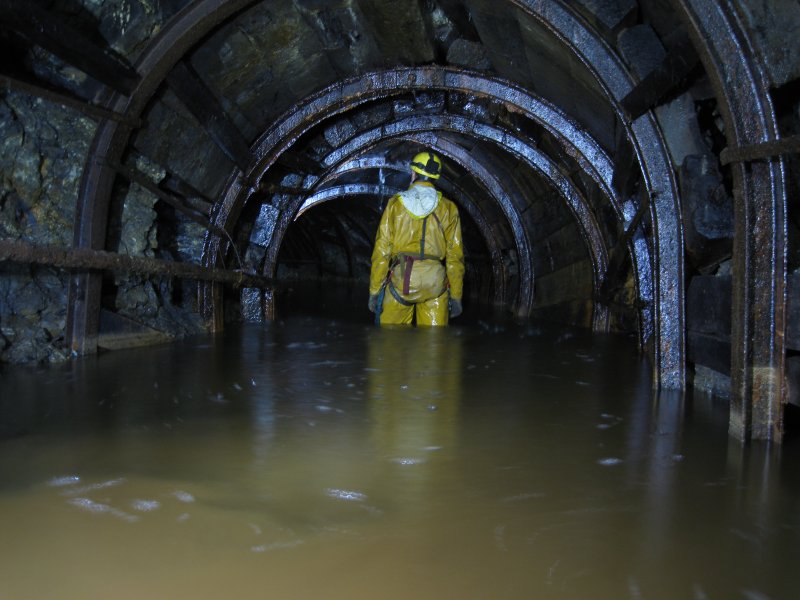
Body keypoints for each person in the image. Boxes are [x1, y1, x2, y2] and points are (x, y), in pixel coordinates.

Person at [368, 151, 464, 326]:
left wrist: (374, 291)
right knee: (433, 340)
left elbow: (382, 251)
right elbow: (455, 255)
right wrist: (456, 295)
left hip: (403, 279)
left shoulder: (395, 205)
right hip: (435, 282)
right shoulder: (449, 208)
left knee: (391, 338)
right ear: (435, 178)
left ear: (413, 173)